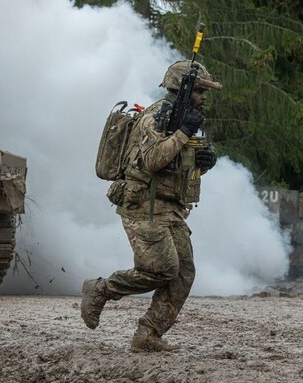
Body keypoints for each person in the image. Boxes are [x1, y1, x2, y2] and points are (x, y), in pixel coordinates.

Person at [81, 60, 222, 352]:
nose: (203, 97)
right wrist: (182, 132)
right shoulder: (158, 116)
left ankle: (148, 334)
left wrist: (204, 164)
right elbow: (153, 160)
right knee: (160, 270)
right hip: (143, 204)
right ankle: (102, 289)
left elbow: (179, 169)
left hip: (170, 208)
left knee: (183, 272)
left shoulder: (189, 119)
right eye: (199, 90)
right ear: (183, 89)